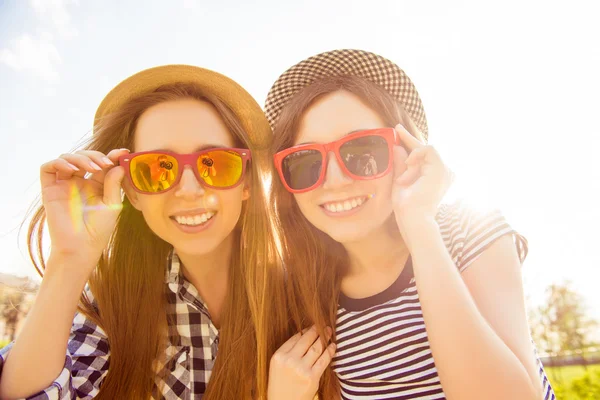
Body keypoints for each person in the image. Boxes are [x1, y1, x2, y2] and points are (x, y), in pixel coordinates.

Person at [266, 49, 556, 400]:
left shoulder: (465, 231)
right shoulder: (304, 292)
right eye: (306, 161)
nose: (336, 179)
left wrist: (420, 227)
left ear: (407, 151)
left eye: (363, 152)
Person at [0, 65, 289, 399]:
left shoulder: (296, 297)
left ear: (246, 183)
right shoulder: (114, 306)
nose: (190, 189)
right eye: (157, 169)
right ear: (133, 191)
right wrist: (69, 259)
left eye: (215, 163)